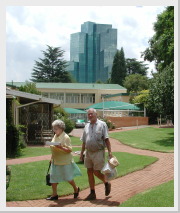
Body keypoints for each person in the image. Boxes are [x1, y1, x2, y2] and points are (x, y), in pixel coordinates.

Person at [80, 108, 113, 201]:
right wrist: (81, 153)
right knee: (89, 171)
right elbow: (83, 141)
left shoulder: (102, 124)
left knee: (96, 172)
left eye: (91, 114)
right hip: (88, 152)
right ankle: (92, 193)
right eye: (88, 114)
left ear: (96, 114)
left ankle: (106, 182)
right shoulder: (86, 126)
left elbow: (106, 139)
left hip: (98, 151)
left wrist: (110, 152)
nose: (90, 115)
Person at [46, 119, 82, 200]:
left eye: (56, 129)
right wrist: (51, 158)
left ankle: (76, 189)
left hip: (65, 162)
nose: (54, 130)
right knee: (53, 178)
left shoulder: (66, 137)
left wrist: (61, 147)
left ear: (61, 128)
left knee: (68, 178)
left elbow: (69, 150)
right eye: (54, 128)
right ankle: (54, 195)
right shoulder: (55, 136)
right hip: (56, 161)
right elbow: (53, 148)